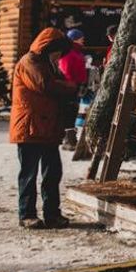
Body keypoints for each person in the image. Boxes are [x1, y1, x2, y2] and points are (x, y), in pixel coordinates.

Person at [10, 27, 78, 229]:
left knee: (52, 173)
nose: (59, 56)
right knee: (29, 174)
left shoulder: (47, 64)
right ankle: (27, 214)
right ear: (49, 48)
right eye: (57, 51)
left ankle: (52, 214)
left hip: (47, 127)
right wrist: (71, 87)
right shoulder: (30, 62)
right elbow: (45, 86)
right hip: (30, 128)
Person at [58, 29, 88, 149]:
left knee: (71, 112)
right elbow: (66, 72)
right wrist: (74, 84)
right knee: (69, 113)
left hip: (72, 86)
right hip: (70, 87)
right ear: (75, 39)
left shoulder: (73, 52)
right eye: (81, 38)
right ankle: (68, 140)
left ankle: (69, 139)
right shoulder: (70, 54)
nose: (83, 40)